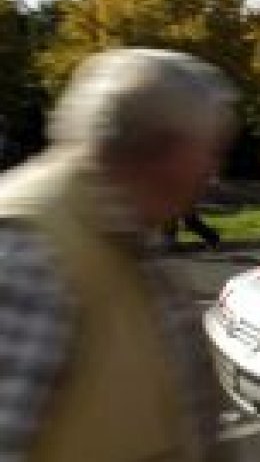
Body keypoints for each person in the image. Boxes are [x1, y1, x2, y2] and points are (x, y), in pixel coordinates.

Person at [0, 49, 235, 461]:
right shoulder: (30, 259)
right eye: (209, 151)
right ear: (162, 147)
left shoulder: (127, 233)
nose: (212, 173)